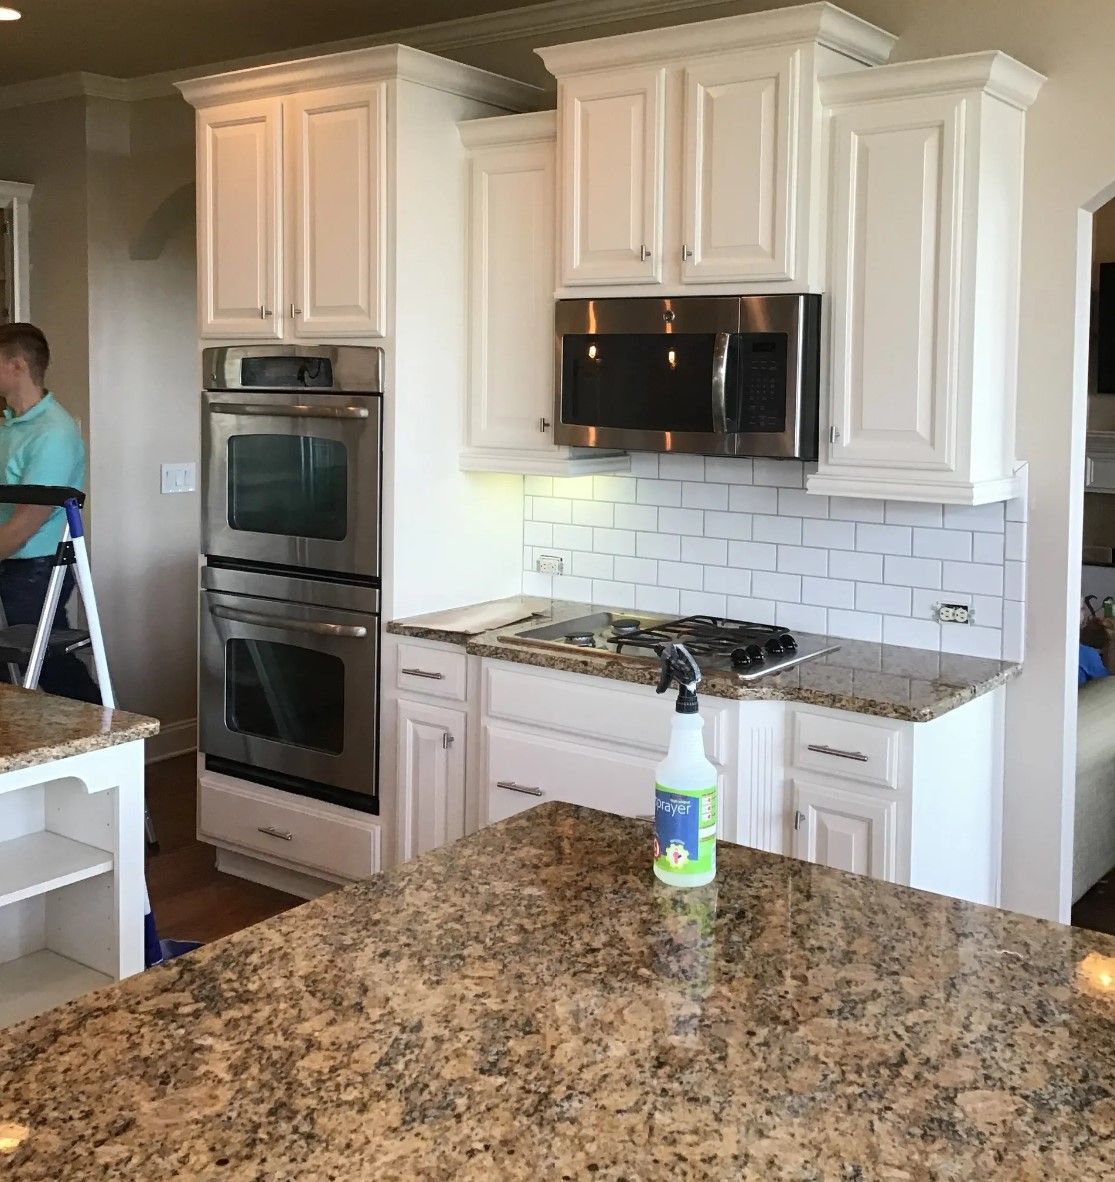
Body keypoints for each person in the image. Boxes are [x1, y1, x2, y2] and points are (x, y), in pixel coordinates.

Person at [0, 323, 99, 702]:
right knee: (10, 666)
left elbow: (28, 519)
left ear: (17, 365)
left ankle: (109, 746)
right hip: (13, 563)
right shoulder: (11, 426)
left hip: (36, 569)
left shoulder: (52, 434)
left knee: (46, 665)